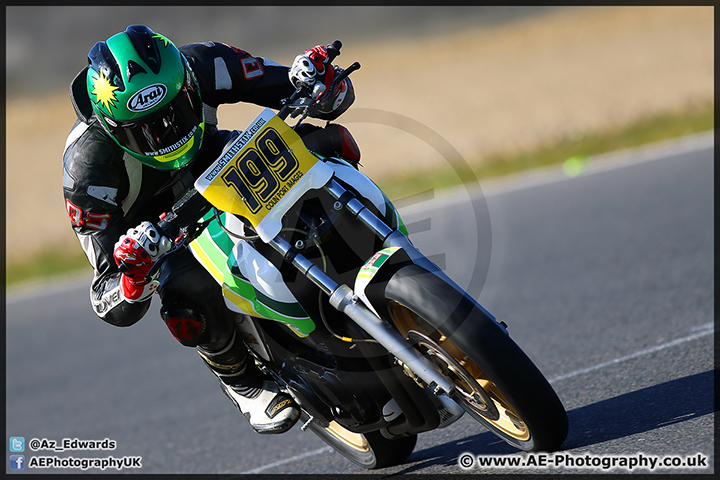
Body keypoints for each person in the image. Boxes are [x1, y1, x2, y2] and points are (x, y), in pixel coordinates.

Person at [62, 25, 360, 434]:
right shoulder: (86, 169)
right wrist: (134, 272)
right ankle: (242, 381)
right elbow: (106, 297)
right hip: (160, 227)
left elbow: (300, 91)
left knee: (325, 144)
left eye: (173, 113)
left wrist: (319, 80)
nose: (165, 133)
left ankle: (378, 252)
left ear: (185, 84)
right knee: (184, 285)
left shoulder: (205, 63)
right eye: (144, 128)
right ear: (112, 127)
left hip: (225, 162)